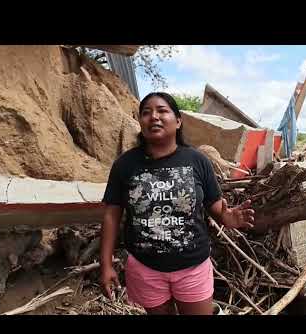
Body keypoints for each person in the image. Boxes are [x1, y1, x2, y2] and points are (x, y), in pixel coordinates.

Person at [99, 92, 255, 315]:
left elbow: (215, 205)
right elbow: (111, 215)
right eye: (146, 112)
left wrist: (228, 218)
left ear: (178, 121)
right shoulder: (125, 164)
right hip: (145, 269)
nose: (154, 116)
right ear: (140, 122)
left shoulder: (197, 161)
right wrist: (106, 264)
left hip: (193, 267)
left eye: (162, 111)